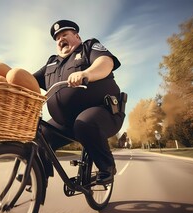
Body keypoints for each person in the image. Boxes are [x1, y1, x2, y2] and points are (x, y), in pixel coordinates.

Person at [33, 20, 125, 184]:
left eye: (64, 35)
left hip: (104, 113)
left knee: (84, 122)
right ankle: (38, 176)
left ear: (77, 36)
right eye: (57, 38)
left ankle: (107, 168)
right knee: (40, 133)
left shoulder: (89, 46)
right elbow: (29, 80)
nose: (60, 39)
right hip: (66, 122)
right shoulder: (51, 63)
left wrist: (86, 73)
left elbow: (106, 62)